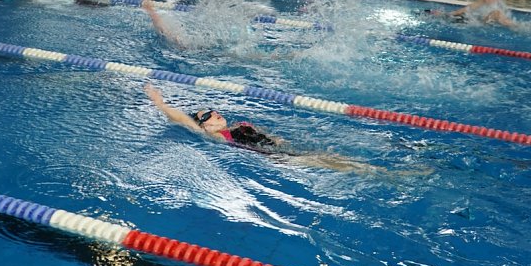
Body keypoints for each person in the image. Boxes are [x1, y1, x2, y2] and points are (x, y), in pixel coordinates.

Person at [144, 83, 394, 174]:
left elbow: (271, 138)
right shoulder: (217, 137)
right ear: (203, 127)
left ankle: (383, 171)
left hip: (285, 151)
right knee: (339, 164)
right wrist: (160, 103)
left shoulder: (241, 125)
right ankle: (389, 174)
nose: (215, 113)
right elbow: (182, 119)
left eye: (214, 109)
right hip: (279, 160)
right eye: (207, 115)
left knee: (337, 159)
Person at [429, 0, 516, 28]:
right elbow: (464, 10)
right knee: (497, 14)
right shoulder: (484, 4)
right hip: (479, 21)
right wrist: (449, 13)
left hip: (480, 21)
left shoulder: (496, 7)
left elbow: (464, 10)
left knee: (497, 14)